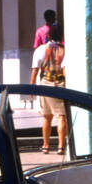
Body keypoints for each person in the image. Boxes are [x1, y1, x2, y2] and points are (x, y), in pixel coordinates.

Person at [30, 23, 67, 154]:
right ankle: (61, 146)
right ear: (61, 35)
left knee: (47, 117)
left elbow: (35, 71)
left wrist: (31, 88)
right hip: (60, 86)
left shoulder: (40, 50)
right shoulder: (64, 50)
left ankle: (45, 145)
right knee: (61, 117)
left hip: (45, 85)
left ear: (48, 35)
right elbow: (65, 71)